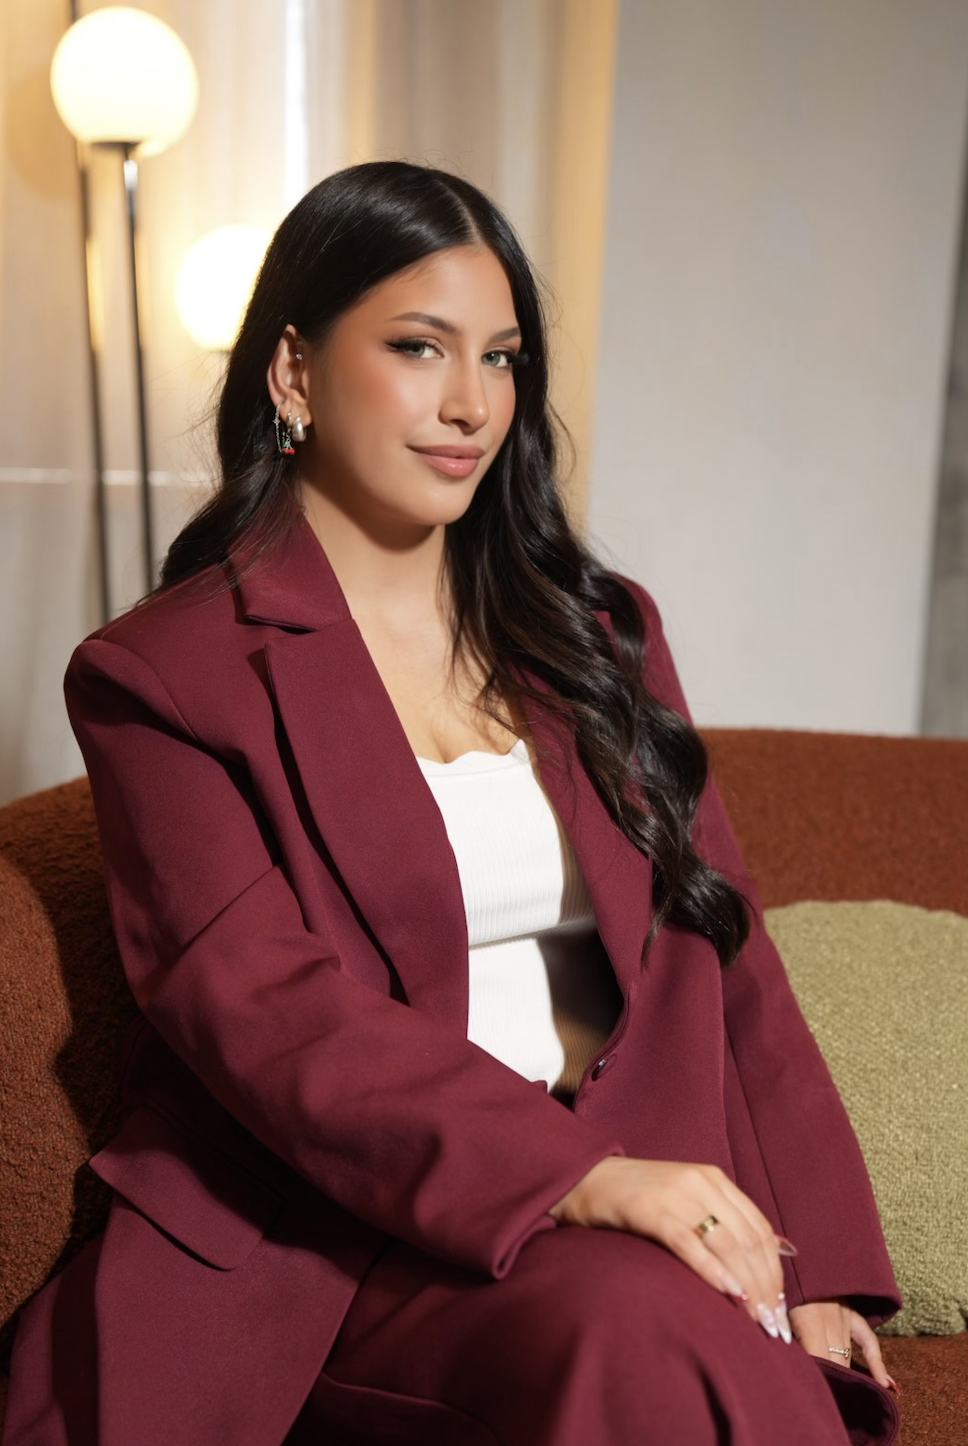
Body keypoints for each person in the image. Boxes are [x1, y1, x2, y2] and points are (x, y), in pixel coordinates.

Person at [4, 162, 901, 1446]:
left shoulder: (593, 633)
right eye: (419, 349)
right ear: (294, 372)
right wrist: (580, 1177)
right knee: (641, 1337)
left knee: (659, 1333)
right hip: (330, 1250)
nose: (471, 404)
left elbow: (724, 948)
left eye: (502, 357)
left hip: (616, 1224)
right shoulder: (165, 677)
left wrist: (814, 1272)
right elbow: (265, 1015)